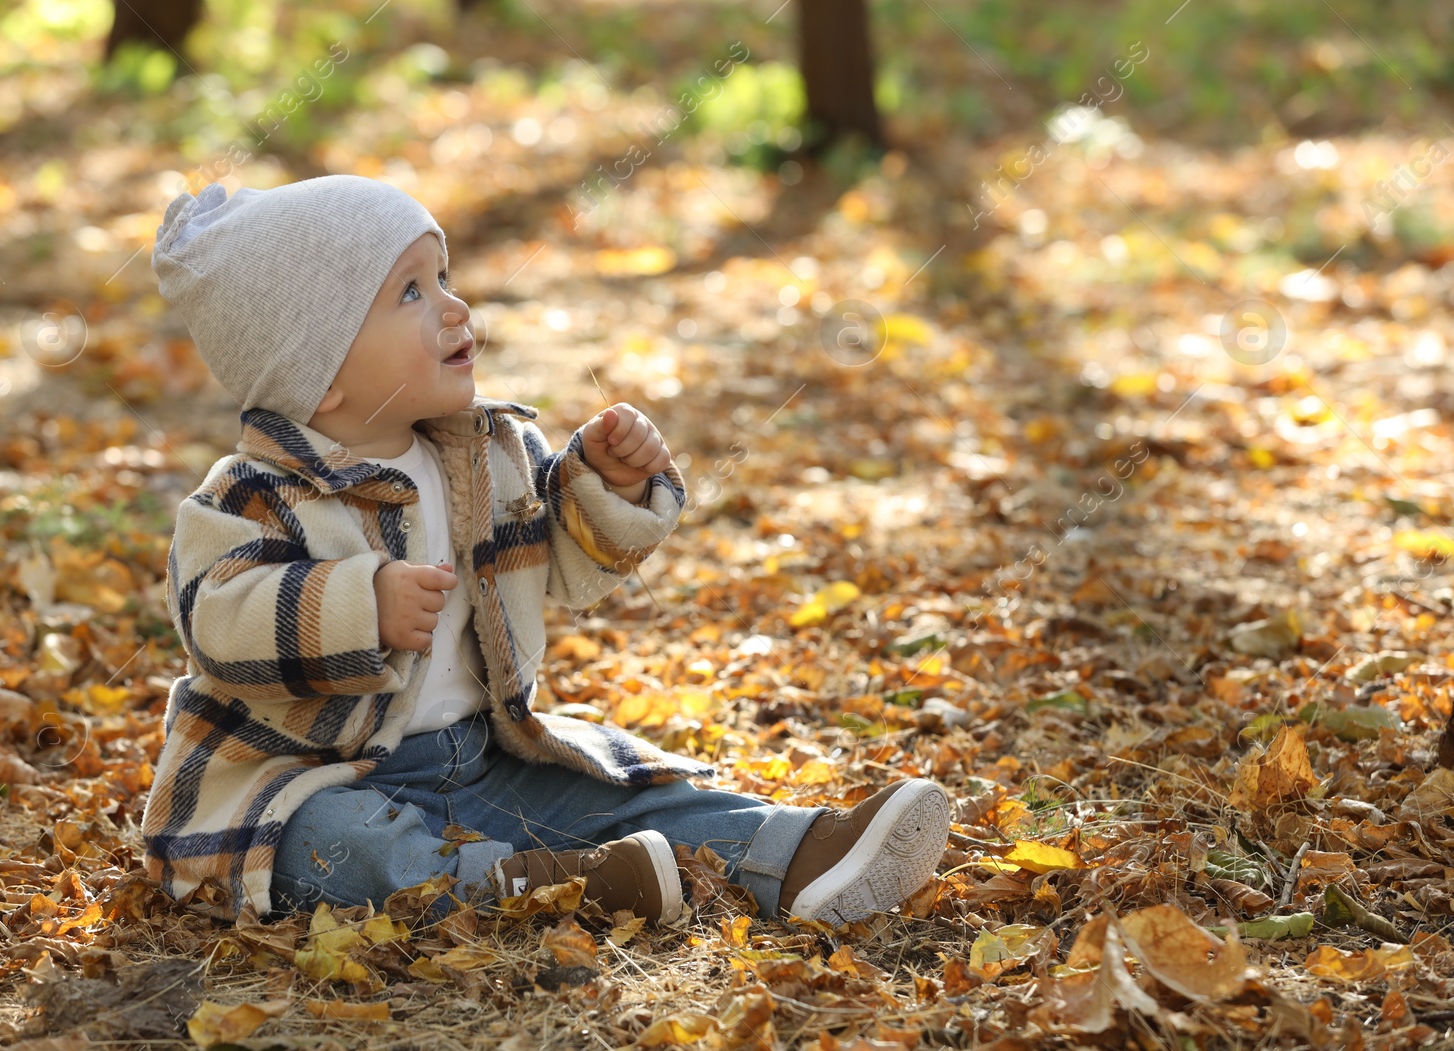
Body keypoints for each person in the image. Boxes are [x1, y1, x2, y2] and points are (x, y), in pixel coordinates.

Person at [140, 174, 950, 928]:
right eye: (412, 293)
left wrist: (606, 486)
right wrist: (358, 601)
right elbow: (216, 618)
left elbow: (563, 565)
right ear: (319, 375)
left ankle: (800, 852)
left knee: (613, 784)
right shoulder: (252, 493)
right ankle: (539, 889)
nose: (456, 310)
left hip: (483, 758)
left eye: (444, 277)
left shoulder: (485, 453)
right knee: (336, 841)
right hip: (306, 776)